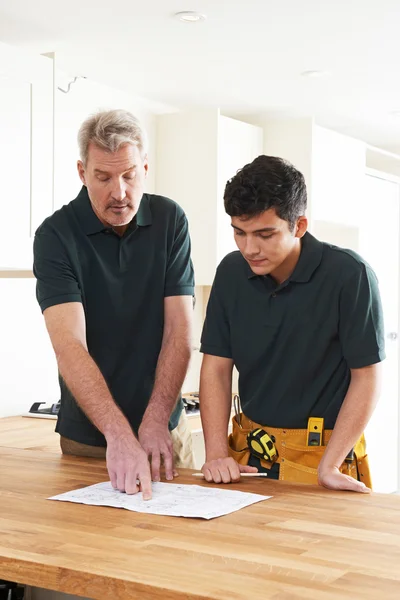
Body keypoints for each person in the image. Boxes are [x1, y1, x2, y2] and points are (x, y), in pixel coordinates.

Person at [33, 109, 195, 500]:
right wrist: (118, 433)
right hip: (91, 437)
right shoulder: (56, 236)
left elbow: (179, 329)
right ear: (81, 172)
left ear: (144, 168)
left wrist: (156, 419)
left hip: (165, 431)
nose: (119, 192)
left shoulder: (170, 220)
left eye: (129, 175)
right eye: (103, 177)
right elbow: (69, 345)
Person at [199, 155, 385, 493]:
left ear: (299, 226)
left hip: (324, 458)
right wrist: (215, 454)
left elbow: (367, 376)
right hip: (249, 455)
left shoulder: (349, 275)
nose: (249, 248)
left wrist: (330, 465)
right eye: (239, 233)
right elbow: (215, 368)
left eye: (265, 234)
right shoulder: (230, 272)